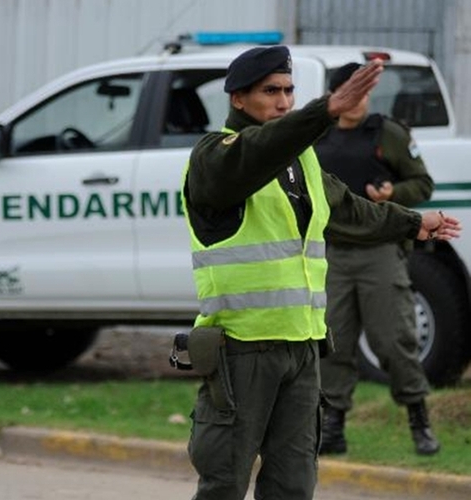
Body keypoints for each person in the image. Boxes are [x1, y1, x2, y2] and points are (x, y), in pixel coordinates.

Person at [180, 46, 460, 500]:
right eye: (271, 91)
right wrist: (325, 110)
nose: (284, 101)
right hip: (242, 350)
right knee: (223, 485)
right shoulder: (217, 158)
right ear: (237, 99)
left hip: (302, 348)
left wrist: (413, 222)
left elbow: (351, 210)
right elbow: (259, 150)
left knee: (294, 485)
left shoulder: (301, 162)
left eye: (290, 91)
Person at [314, 62, 440, 456]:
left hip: (380, 250)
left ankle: (419, 420)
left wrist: (391, 195)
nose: (360, 101)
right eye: (353, 92)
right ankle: (332, 427)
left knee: (394, 340)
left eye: (366, 92)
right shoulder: (315, 136)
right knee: (333, 342)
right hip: (332, 253)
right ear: (337, 95)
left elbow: (423, 183)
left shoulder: (388, 133)